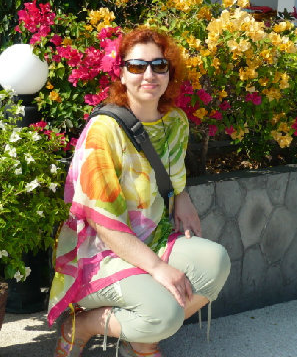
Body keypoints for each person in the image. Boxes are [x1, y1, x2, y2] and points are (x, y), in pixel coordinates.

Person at [48, 27, 231, 357]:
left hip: (151, 239)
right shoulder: (104, 131)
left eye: (159, 66)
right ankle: (83, 325)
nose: (149, 75)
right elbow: (103, 222)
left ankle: (143, 340)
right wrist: (158, 268)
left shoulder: (174, 122)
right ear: (121, 73)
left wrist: (182, 197)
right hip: (99, 255)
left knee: (215, 262)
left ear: (169, 72)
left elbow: (173, 173)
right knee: (163, 313)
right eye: (137, 66)